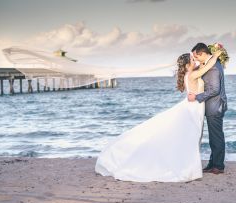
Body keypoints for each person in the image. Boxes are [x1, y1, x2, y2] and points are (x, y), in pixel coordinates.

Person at [94, 50, 222, 182]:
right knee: (192, 136)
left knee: (191, 136)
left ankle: (188, 167)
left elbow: (203, 69)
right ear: (186, 65)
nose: (194, 60)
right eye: (191, 59)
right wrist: (216, 55)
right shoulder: (193, 74)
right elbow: (207, 66)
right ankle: (187, 168)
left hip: (194, 107)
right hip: (193, 108)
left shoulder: (189, 74)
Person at [189, 43, 228, 174]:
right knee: (213, 136)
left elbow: (214, 90)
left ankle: (218, 166)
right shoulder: (211, 64)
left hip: (215, 106)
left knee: (216, 136)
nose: (195, 59)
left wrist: (197, 97)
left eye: (196, 56)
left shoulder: (213, 68)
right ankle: (213, 163)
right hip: (213, 105)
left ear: (202, 53)